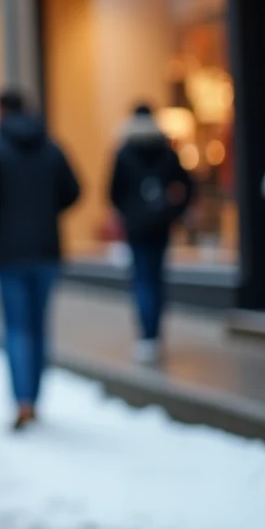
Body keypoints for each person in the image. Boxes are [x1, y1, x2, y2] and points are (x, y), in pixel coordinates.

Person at [0, 89, 80, 431]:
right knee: (39, 325)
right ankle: (36, 397)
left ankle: (23, 401)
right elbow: (74, 191)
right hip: (46, 250)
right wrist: (46, 212)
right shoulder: (52, 147)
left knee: (16, 328)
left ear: (1, 111)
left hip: (8, 252)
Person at [109, 103, 193, 365]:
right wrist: (174, 211)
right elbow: (188, 185)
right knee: (156, 278)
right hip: (160, 224)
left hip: (137, 226)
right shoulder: (166, 151)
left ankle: (147, 336)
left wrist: (128, 212)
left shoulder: (124, 153)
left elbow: (113, 192)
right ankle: (154, 333)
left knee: (142, 279)